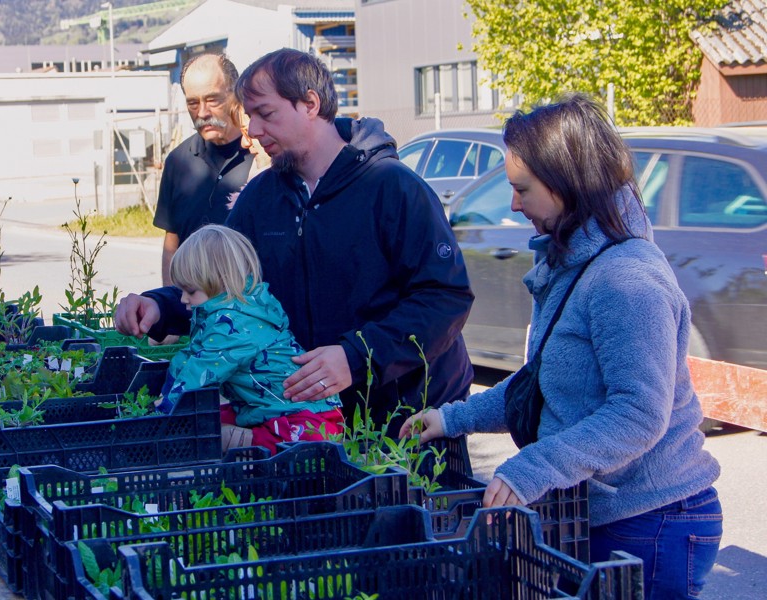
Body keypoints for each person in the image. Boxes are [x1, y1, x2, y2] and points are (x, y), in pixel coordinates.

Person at [399, 95, 722, 598]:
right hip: (604, 517)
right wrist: (452, 419)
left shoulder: (626, 280)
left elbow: (638, 413)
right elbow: (546, 385)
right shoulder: (573, 263)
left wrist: (535, 467)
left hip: (652, 522)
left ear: (567, 183)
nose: (513, 204)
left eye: (521, 188)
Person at [117, 48, 474, 433]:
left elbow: (445, 298)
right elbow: (223, 286)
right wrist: (158, 306)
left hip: (408, 418)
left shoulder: (394, 188)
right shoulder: (260, 198)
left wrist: (355, 356)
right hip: (310, 421)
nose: (252, 130)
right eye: (249, 115)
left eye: (265, 114)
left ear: (310, 103)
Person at [159, 225, 343, 453]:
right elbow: (193, 353)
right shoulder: (226, 310)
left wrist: (165, 409)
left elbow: (201, 370)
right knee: (208, 417)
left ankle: (243, 441)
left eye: (191, 291)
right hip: (265, 407)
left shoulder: (235, 324)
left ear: (221, 281)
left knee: (298, 444)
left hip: (307, 416)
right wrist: (171, 381)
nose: (184, 299)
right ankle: (243, 435)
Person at [154, 53, 261, 287]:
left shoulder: (262, 156)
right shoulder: (177, 162)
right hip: (192, 311)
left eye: (212, 100)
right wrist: (170, 299)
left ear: (237, 96)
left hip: (249, 312)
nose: (202, 113)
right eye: (193, 103)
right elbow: (172, 240)